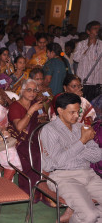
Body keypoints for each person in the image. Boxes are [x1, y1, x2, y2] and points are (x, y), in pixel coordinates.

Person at [41, 92, 102, 223]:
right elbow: (58, 162)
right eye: (72, 112)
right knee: (90, 215)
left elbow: (97, 156)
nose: (77, 116)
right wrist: (82, 142)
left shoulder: (81, 127)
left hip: (89, 175)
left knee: (91, 216)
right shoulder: (49, 130)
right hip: (64, 177)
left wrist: (76, 147)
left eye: (78, 111)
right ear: (60, 111)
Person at [7, 79, 47, 199]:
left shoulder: (37, 103)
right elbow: (19, 128)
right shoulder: (15, 106)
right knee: (34, 154)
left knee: (49, 151)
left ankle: (44, 188)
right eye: (29, 90)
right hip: (21, 139)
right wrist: (31, 111)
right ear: (22, 90)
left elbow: (44, 121)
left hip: (36, 135)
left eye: (35, 90)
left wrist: (42, 117)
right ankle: (30, 190)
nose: (32, 93)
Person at [73, 21, 102, 102]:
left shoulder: (101, 45)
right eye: (95, 28)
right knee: (83, 105)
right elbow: (76, 59)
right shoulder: (81, 44)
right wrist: (88, 46)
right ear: (88, 31)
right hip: (84, 82)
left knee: (95, 108)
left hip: (98, 83)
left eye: (98, 29)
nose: (97, 30)